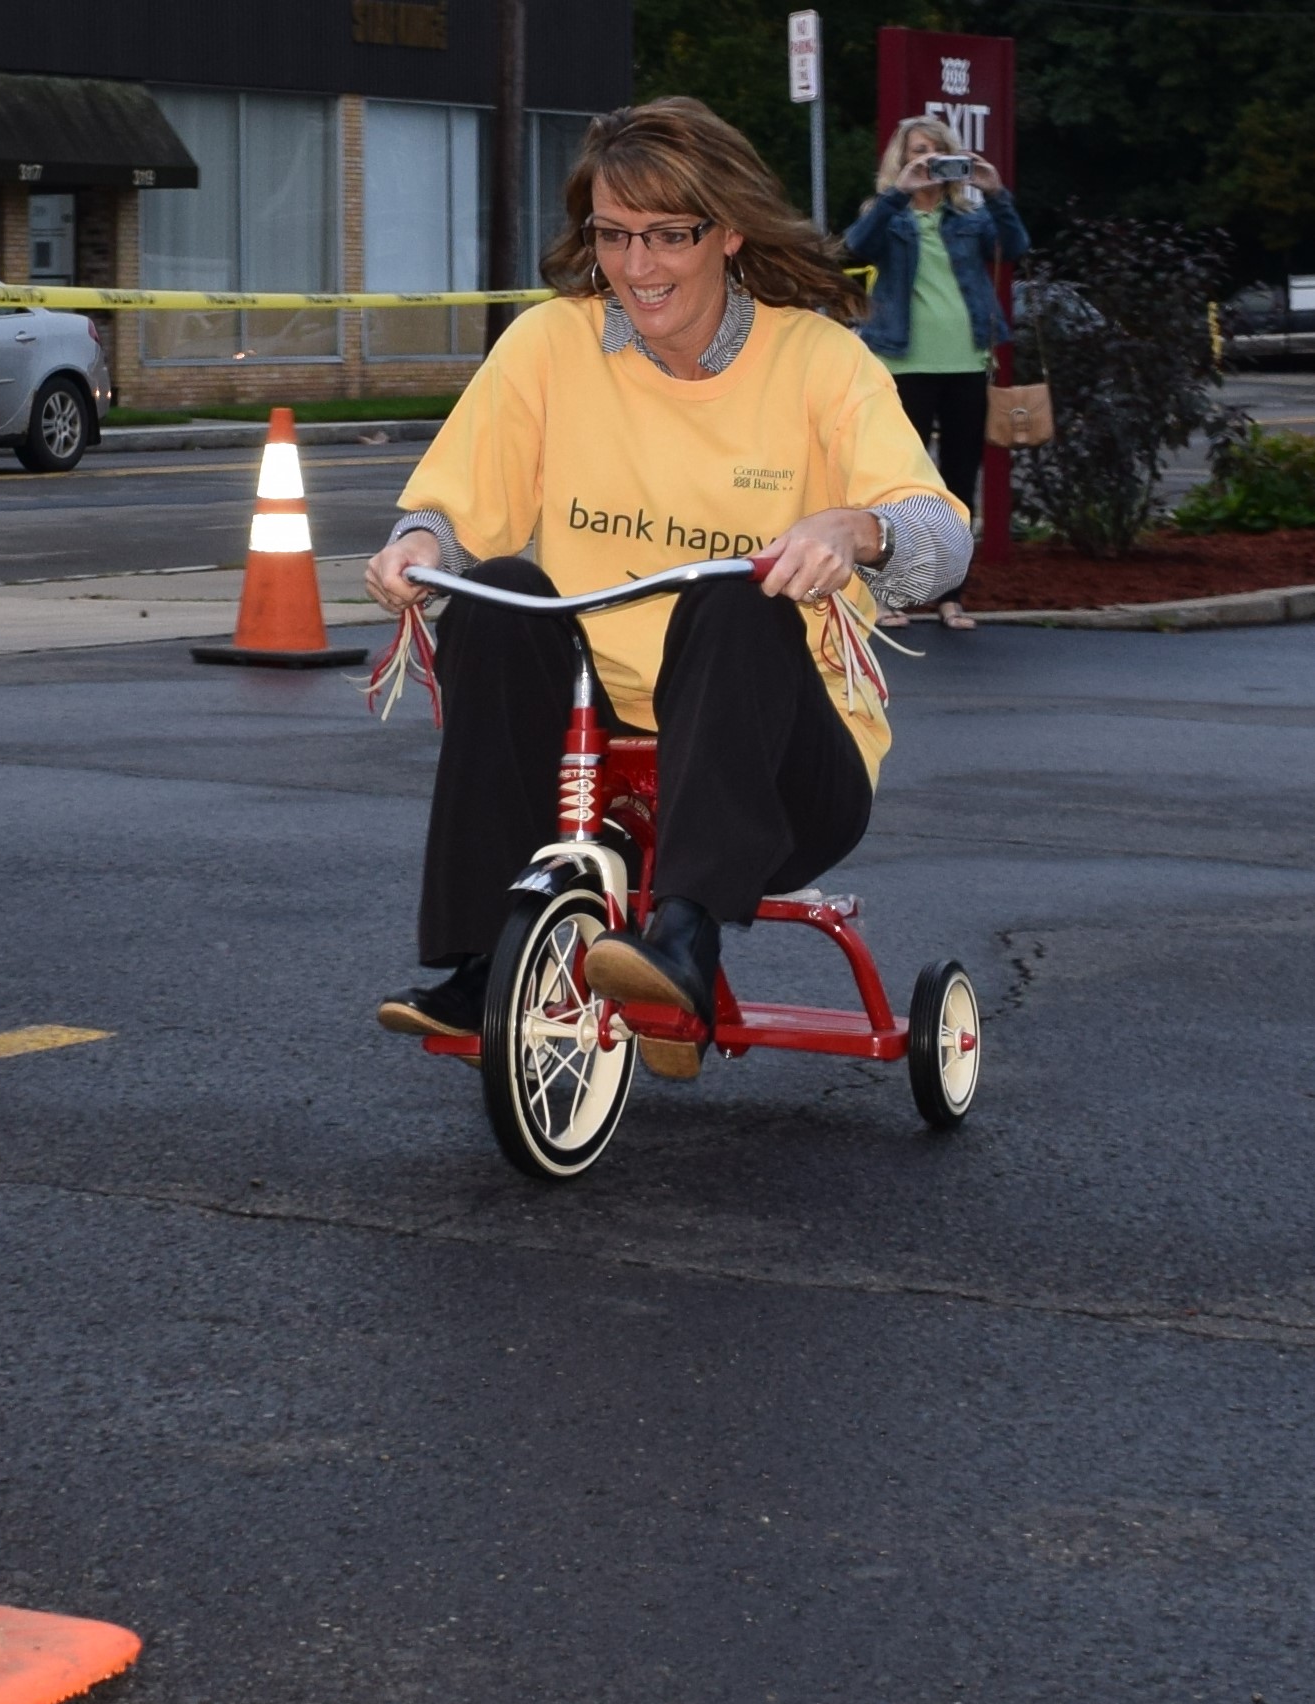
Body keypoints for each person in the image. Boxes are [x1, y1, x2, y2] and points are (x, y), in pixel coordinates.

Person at [366, 97, 973, 1076]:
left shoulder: (819, 362)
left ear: (727, 231)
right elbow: (448, 507)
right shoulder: (552, 346)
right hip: (596, 758)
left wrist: (854, 527)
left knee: (741, 590)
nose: (638, 266)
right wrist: (419, 548)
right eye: (614, 235)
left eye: (667, 235)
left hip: (785, 770)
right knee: (500, 591)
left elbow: (943, 535)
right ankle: (487, 963)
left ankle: (683, 942)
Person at [843, 115, 1029, 629]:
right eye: (915, 153)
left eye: (935, 152)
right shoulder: (887, 216)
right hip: (903, 363)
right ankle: (888, 595)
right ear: (900, 162)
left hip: (966, 361)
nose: (925, 161)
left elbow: (1015, 248)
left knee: (958, 482)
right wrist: (896, 196)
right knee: (898, 484)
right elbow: (851, 249)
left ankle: (952, 596)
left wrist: (996, 194)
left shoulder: (971, 217)